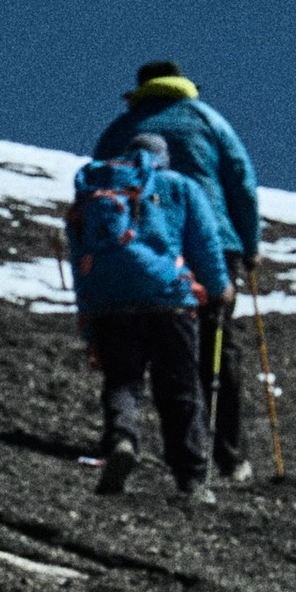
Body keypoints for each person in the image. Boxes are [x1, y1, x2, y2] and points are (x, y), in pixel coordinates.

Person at [90, 61, 263, 481]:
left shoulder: (121, 128)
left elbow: (101, 188)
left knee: (156, 347)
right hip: (214, 241)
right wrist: (250, 244)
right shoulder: (206, 118)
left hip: (144, 246)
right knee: (216, 346)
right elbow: (240, 179)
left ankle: (133, 436)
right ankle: (226, 454)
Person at [65, 131, 232, 498]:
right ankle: (190, 478)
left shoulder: (94, 192)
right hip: (168, 297)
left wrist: (89, 318)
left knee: (122, 381)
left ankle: (122, 441)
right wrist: (219, 289)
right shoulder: (178, 186)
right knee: (179, 387)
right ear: (162, 157)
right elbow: (204, 241)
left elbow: (80, 261)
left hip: (110, 303)